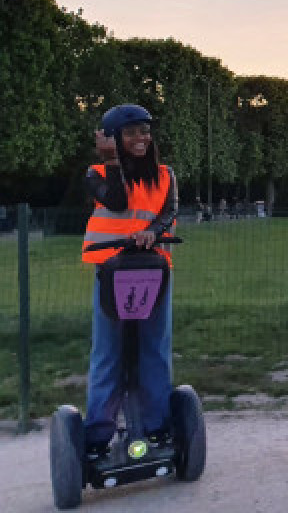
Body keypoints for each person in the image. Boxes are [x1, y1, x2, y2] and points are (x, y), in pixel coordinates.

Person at [81, 104, 179, 458]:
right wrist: (110, 162)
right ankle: (97, 435)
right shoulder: (95, 174)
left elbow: (168, 212)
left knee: (154, 349)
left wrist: (153, 232)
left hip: (152, 267)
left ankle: (157, 426)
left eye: (145, 131)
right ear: (113, 139)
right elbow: (119, 202)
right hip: (111, 269)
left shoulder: (165, 174)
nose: (141, 138)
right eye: (131, 133)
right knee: (109, 352)